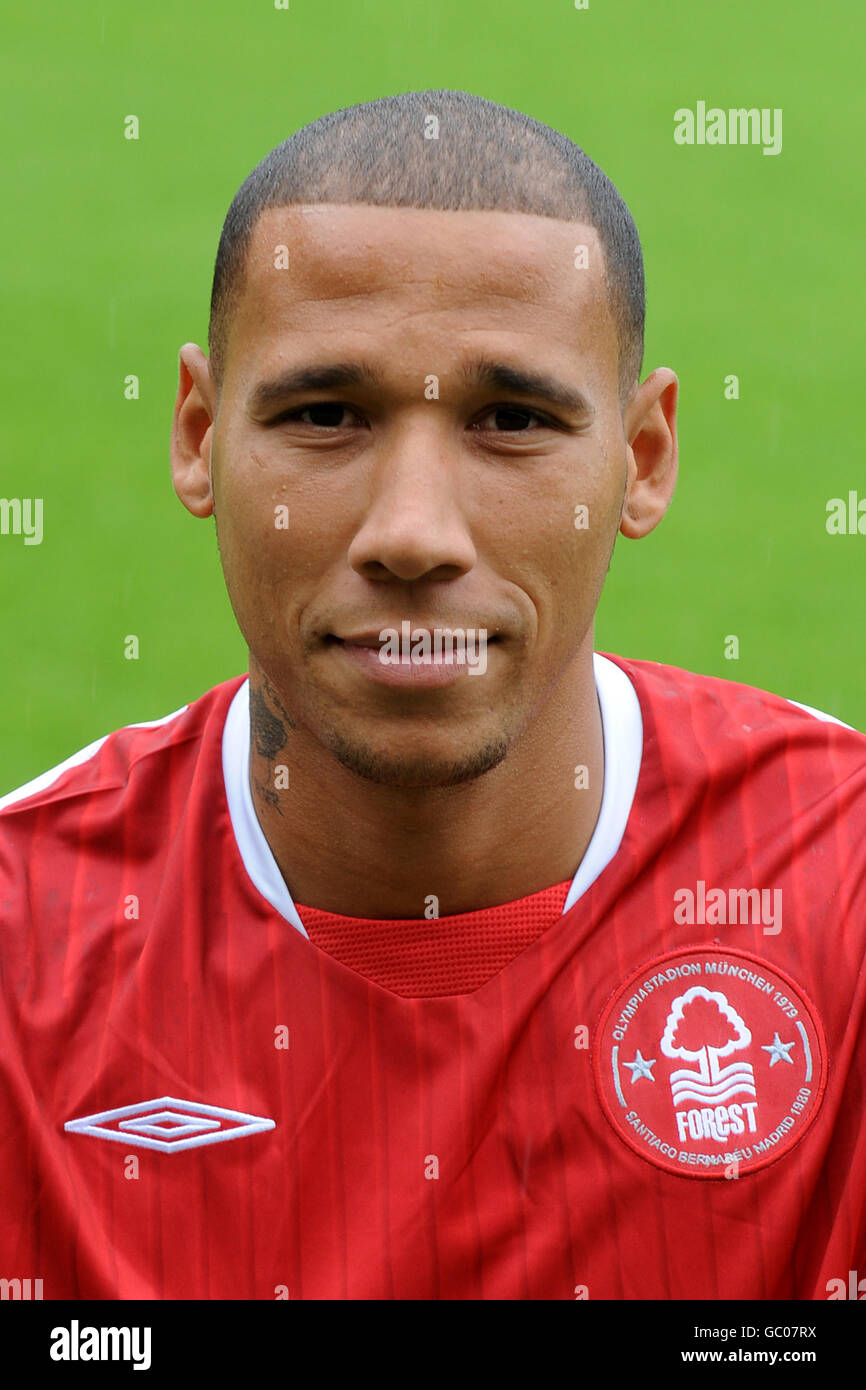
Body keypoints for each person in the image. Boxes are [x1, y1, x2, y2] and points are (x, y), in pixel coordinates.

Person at [1, 89, 863, 1301]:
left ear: (642, 459)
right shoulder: (23, 946)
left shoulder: (839, 887)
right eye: (324, 416)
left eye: (511, 419)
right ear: (198, 435)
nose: (412, 534)